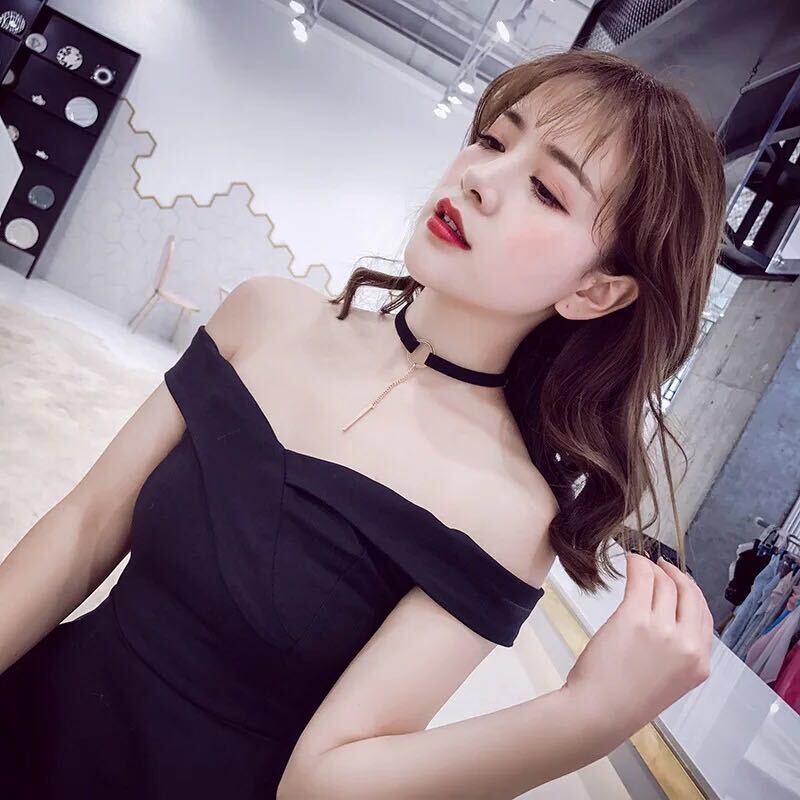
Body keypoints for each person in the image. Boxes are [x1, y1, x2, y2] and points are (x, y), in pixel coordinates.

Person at [0, 48, 722, 798]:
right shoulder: (266, 314)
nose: (481, 178)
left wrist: (585, 717)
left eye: (546, 189)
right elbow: (84, 527)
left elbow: (320, 784)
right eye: (493, 140)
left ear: (595, 291)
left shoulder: (509, 512)